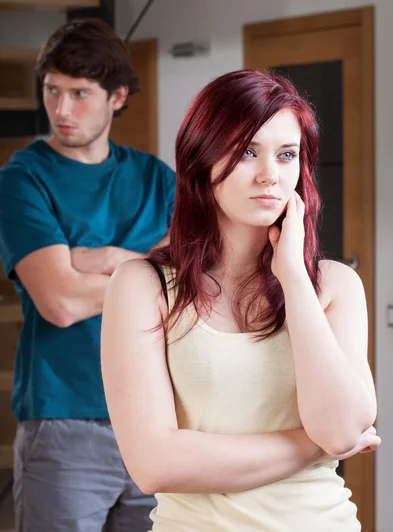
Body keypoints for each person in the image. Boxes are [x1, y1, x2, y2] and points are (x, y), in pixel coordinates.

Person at [101, 69, 380, 532]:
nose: (271, 175)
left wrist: (293, 277)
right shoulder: (141, 286)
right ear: (201, 158)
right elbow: (154, 464)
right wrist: (314, 445)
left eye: (287, 154)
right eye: (248, 151)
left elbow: (340, 426)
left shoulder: (336, 285)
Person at [0, 18, 175, 532]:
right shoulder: (22, 178)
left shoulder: (156, 179)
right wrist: (143, 267)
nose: (61, 110)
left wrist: (91, 259)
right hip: (63, 420)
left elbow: (190, 281)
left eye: (79, 94)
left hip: (156, 417)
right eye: (52, 91)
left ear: (117, 96)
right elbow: (61, 303)